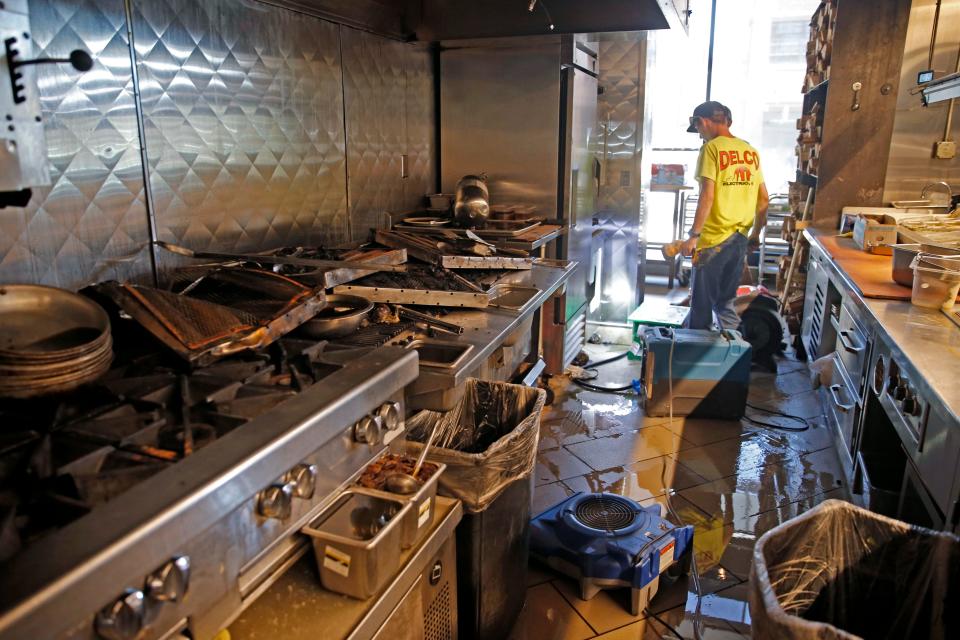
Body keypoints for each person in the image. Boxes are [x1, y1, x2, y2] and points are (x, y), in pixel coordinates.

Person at [680, 101, 769, 331]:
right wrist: (755, 234)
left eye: (698, 129)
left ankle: (695, 363)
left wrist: (693, 236)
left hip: (713, 242)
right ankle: (736, 360)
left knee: (701, 309)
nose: (700, 135)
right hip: (740, 238)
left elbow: (707, 196)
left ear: (702, 122)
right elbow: (763, 200)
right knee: (725, 304)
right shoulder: (750, 151)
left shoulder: (711, 149)